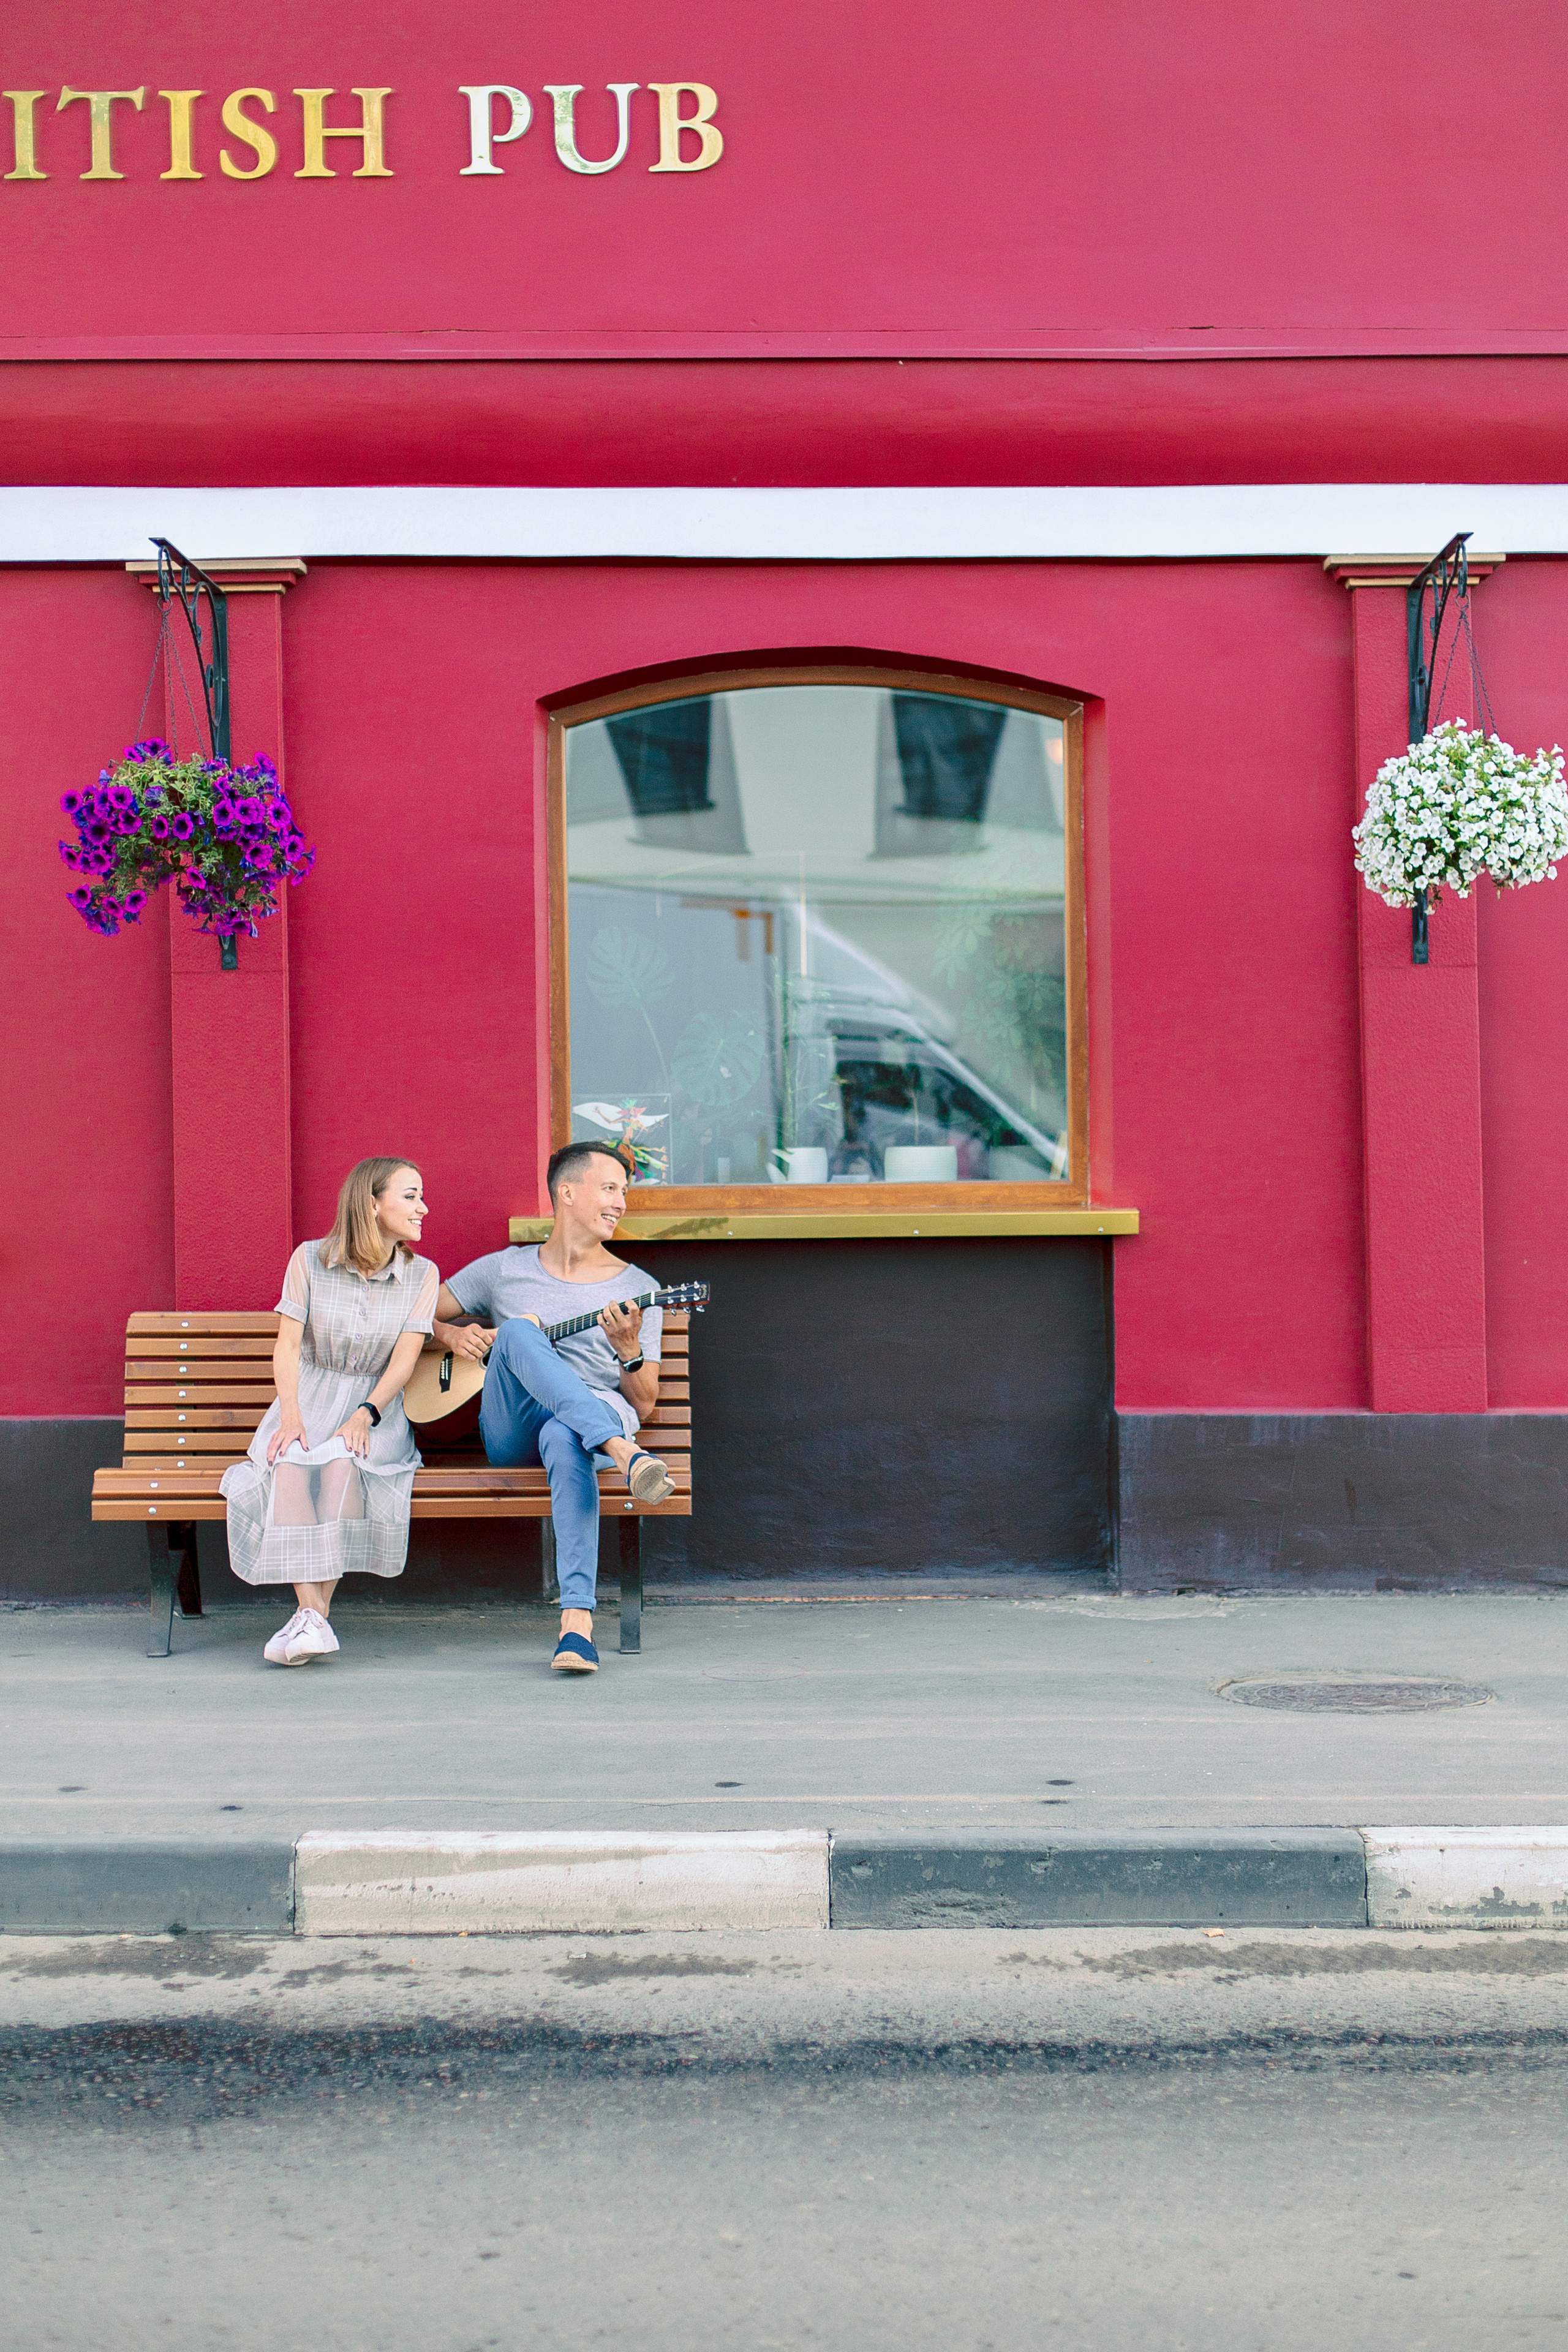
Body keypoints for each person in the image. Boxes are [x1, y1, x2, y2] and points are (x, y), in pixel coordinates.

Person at [431, 1141, 674, 1674]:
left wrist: (629, 1350)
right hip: (517, 1428)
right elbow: (415, 1316)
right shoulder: (504, 1271)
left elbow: (647, 1403)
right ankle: (620, 1450)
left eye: (625, 1192)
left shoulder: (640, 1289)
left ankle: (577, 1627)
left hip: (581, 1426)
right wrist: (450, 1334)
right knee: (519, 1329)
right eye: (610, 1188)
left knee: (569, 1435)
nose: (621, 1203)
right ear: (567, 1192)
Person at [221, 1158, 438, 1666]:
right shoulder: (309, 1260)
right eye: (410, 1196)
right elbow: (288, 1346)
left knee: (344, 1465)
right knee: (292, 1465)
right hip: (308, 1397)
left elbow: (405, 1360)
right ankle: (314, 1617)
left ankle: (309, 1620)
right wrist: (291, 1417)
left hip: (375, 1408)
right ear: (371, 1203)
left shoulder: (422, 1274)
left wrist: (365, 1413)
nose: (422, 1207)